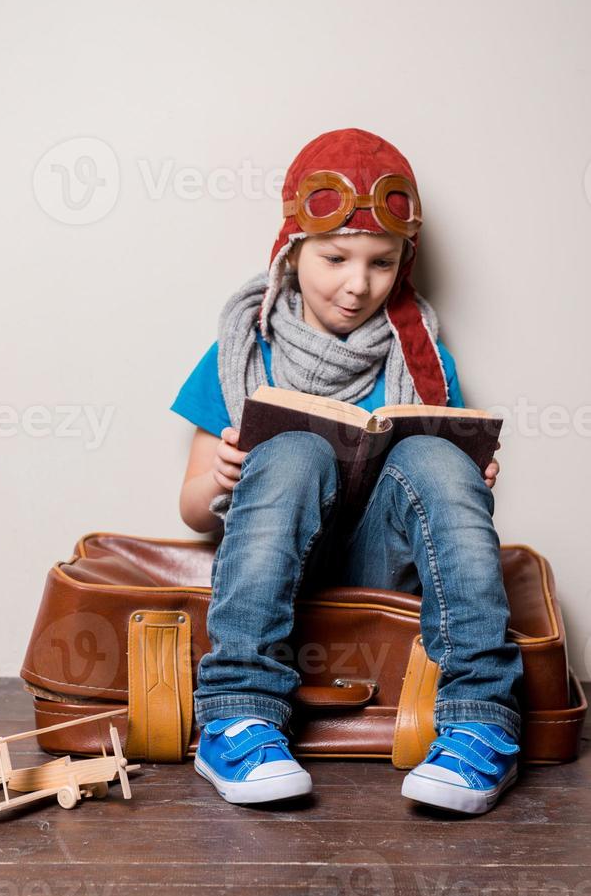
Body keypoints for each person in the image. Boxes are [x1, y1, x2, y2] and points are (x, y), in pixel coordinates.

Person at [169, 127, 523, 815]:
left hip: (376, 569)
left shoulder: (422, 357)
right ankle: (237, 716)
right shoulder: (244, 352)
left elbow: (433, 504)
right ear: (292, 249)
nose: (357, 285)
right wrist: (219, 477)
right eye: (335, 258)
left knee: (433, 454)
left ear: (403, 264)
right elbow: (188, 509)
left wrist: (463, 480)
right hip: (270, 568)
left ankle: (481, 720)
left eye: (382, 264)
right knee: (294, 449)